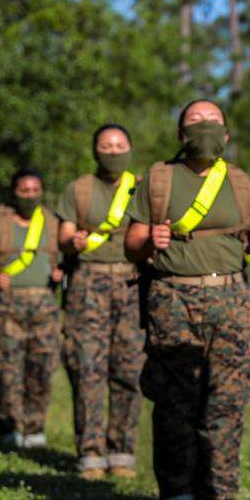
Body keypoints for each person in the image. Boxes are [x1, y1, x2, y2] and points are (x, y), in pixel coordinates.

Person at [126, 99, 250, 500]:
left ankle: (219, 499)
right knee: (174, 401)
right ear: (181, 135)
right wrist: (151, 241)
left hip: (230, 298)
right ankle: (177, 499)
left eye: (213, 121)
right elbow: (133, 243)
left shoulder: (241, 182)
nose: (205, 128)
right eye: (195, 122)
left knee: (227, 401)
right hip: (171, 298)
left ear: (226, 134)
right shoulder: (159, 179)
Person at [56, 124, 144, 480]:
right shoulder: (78, 189)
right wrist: (71, 241)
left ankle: (122, 450)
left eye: (119, 144)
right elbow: (62, 237)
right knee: (87, 366)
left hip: (131, 282)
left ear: (130, 148)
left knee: (129, 368)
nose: (113, 150)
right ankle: (90, 451)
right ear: (95, 151)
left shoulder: (142, 187)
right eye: (106, 146)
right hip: (87, 283)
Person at [0, 170, 63, 447]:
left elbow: (64, 260)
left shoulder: (52, 224)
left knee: (41, 368)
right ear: (14, 192)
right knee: (7, 369)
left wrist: (61, 273)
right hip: (8, 307)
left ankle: (35, 428)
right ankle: (8, 427)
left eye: (35, 189)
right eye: (24, 190)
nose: (30, 195)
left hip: (44, 307)